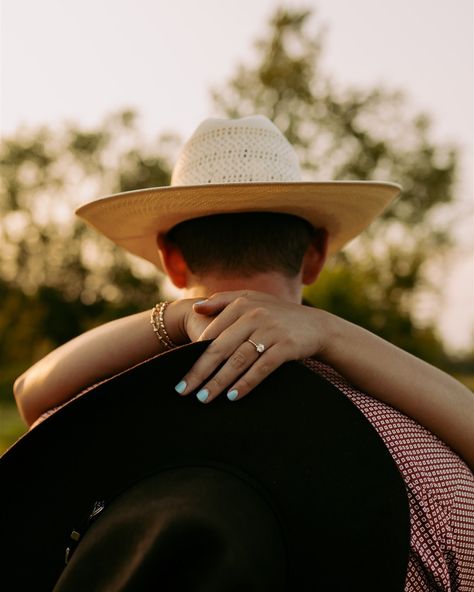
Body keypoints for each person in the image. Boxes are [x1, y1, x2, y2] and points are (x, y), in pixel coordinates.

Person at [13, 115, 474, 590]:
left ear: (171, 258)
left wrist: (174, 317)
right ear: (315, 255)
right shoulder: (428, 468)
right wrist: (331, 332)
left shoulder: (75, 429)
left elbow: (30, 394)